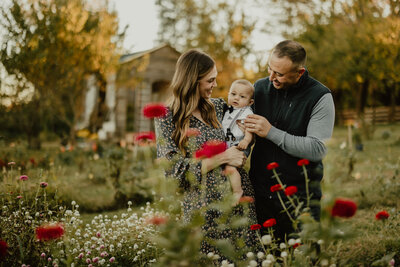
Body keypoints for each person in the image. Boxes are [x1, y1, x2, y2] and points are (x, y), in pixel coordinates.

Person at [155, 49, 258, 257]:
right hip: (202, 211)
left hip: (238, 202)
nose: (216, 85)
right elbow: (173, 173)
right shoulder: (167, 117)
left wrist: (243, 147)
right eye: (210, 80)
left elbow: (241, 134)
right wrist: (223, 157)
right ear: (193, 80)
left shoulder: (218, 107)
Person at [243, 40, 335, 241]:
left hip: (300, 197)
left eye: (279, 74)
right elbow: (245, 132)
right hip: (260, 192)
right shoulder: (259, 88)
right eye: (270, 68)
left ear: (299, 72)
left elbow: (318, 148)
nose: (271, 77)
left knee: (303, 258)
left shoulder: (320, 96)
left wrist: (271, 132)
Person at [221, 79, 254, 204]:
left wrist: (246, 139)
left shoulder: (246, 112)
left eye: (242, 96)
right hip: (228, 144)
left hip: (239, 145)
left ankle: (237, 191)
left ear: (250, 102)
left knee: (230, 168)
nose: (236, 98)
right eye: (233, 94)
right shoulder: (228, 110)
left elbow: (249, 129)